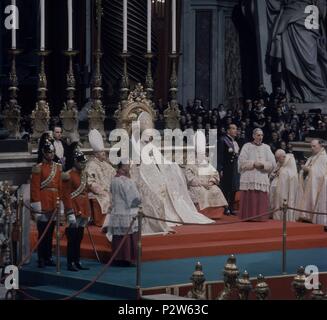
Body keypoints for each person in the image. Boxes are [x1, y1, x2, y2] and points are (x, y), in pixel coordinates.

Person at [30, 140, 63, 268]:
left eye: (52, 152)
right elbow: (35, 188)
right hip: (43, 203)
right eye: (49, 152)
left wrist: (60, 203)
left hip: (54, 202)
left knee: (50, 233)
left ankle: (48, 256)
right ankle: (41, 257)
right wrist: (36, 206)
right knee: (42, 232)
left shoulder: (58, 167)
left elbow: (60, 186)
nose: (51, 155)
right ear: (44, 153)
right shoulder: (38, 168)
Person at [107, 162, 141, 267]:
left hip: (117, 212)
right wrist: (139, 202)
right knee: (128, 236)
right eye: (127, 165)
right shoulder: (127, 181)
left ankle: (118, 258)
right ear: (122, 167)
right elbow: (133, 198)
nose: (129, 167)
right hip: (127, 212)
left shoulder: (114, 180)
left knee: (118, 237)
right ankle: (128, 258)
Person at [238, 128, 276, 221]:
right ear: (253, 136)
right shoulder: (247, 146)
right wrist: (254, 163)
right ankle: (248, 216)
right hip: (249, 176)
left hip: (261, 176)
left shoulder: (266, 148)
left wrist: (263, 165)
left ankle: (260, 217)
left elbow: (272, 163)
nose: (260, 137)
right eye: (258, 135)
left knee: (261, 197)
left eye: (262, 135)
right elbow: (241, 162)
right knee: (249, 197)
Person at [62, 149, 90, 271]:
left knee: (79, 238)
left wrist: (88, 211)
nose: (83, 165)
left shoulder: (84, 174)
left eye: (84, 163)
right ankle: (70, 262)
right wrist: (69, 212)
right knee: (72, 239)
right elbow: (66, 195)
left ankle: (77, 260)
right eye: (81, 163)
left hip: (83, 209)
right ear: (75, 162)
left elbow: (85, 193)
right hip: (74, 209)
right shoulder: (68, 175)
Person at [86, 129, 116, 227]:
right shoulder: (91, 165)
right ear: (96, 154)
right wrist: (101, 191)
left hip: (109, 189)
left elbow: (114, 174)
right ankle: (103, 222)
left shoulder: (106, 164)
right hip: (99, 192)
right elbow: (90, 181)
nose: (104, 154)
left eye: (104, 152)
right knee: (106, 197)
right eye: (102, 153)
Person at [296, 140, 327, 230]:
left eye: (314, 146)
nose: (312, 148)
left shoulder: (324, 158)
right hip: (308, 184)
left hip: (317, 186)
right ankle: (306, 217)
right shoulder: (312, 157)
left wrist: (309, 170)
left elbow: (321, 174)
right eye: (311, 146)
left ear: (321, 146)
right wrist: (303, 171)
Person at [217, 124, 240, 215]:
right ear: (228, 131)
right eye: (233, 128)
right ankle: (225, 208)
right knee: (226, 189)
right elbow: (220, 156)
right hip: (226, 168)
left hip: (234, 168)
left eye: (236, 128)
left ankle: (231, 207)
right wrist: (220, 169)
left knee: (234, 188)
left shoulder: (235, 142)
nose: (235, 130)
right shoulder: (223, 140)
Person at [269, 150, 298, 221]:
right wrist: (273, 175)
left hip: (286, 187)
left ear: (283, 156)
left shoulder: (290, 160)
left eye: (278, 158)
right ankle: (275, 215)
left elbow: (293, 175)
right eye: (276, 158)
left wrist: (281, 172)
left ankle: (284, 217)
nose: (277, 160)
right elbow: (274, 171)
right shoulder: (279, 162)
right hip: (278, 184)